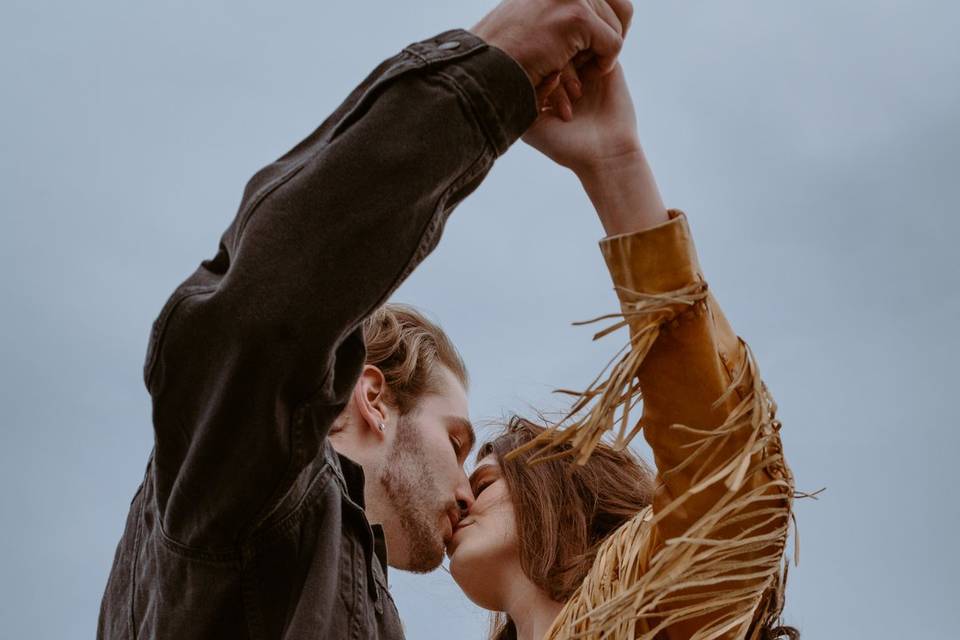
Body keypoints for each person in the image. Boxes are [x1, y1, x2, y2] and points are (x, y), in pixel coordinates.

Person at [96, 0, 637, 637]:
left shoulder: (329, 581)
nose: (467, 490)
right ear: (374, 398)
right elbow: (262, 312)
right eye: (456, 442)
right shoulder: (251, 492)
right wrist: (492, 70)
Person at [447, 63, 797, 639]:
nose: (457, 497)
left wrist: (615, 165)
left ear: (564, 502)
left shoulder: (665, 619)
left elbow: (730, 483)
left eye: (483, 483)